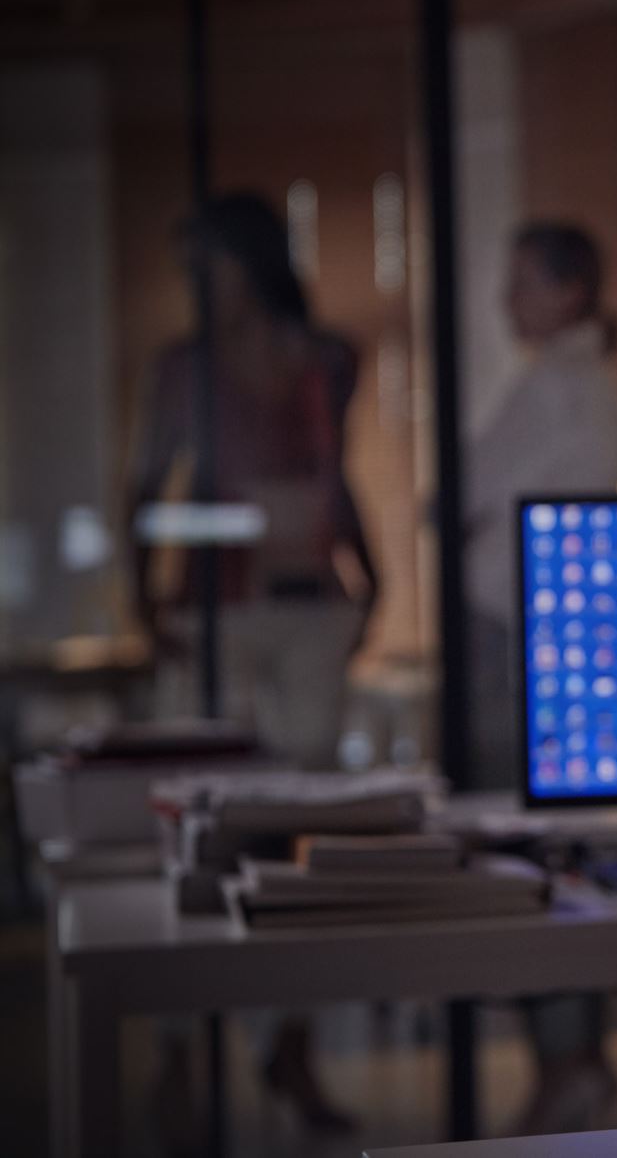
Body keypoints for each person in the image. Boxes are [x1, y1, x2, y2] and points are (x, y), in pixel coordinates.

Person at [128, 192, 377, 1139]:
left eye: (209, 263)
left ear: (249, 261)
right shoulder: (182, 368)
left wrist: (374, 581)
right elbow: (149, 484)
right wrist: (144, 598)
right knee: (206, 827)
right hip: (212, 609)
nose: (198, 284)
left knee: (308, 837)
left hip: (310, 605)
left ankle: (295, 1052)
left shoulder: (328, 358)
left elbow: (334, 477)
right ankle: (180, 1059)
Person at [462, 221, 617, 1134]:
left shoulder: (568, 392)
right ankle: (570, 1058)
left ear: (568, 291)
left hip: (519, 639)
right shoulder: (564, 385)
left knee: (531, 853)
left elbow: (473, 496)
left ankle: (571, 1060)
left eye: (520, 281)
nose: (505, 302)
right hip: (523, 634)